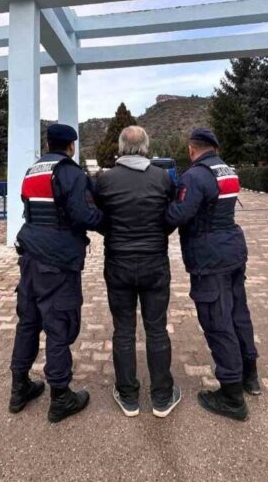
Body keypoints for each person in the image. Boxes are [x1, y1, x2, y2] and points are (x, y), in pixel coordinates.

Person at [8, 124, 104, 423]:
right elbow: (84, 215)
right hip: (58, 261)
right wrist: (109, 221)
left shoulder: (33, 170)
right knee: (58, 325)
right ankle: (61, 396)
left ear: (48, 143)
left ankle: (19, 387)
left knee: (28, 321)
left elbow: (29, 209)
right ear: (71, 146)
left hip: (30, 256)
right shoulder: (71, 174)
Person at [166, 128, 261, 421]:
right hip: (233, 249)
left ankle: (231, 396)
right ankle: (250, 376)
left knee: (217, 320)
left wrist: (162, 204)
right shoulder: (225, 170)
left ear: (192, 149)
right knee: (238, 314)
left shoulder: (195, 176)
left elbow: (178, 215)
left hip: (210, 256)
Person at [93, 126, 182, 418]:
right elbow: (170, 217)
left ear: (120, 147)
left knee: (124, 329)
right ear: (146, 147)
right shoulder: (162, 177)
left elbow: (98, 216)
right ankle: (161, 396)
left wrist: (112, 232)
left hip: (118, 263)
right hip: (155, 262)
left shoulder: (104, 180)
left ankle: (128, 396)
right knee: (156, 328)